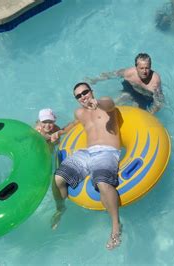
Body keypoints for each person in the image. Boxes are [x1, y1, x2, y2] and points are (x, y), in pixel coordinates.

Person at [50, 82, 122, 250]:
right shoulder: (80, 112)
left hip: (107, 152)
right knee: (58, 178)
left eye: (85, 92)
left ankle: (116, 227)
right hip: (87, 153)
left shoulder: (104, 103)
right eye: (79, 96)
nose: (83, 97)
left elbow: (110, 105)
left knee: (103, 183)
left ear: (91, 91)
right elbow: (73, 124)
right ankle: (61, 209)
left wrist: (99, 104)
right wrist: (59, 132)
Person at [85, 53, 164, 114]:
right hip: (130, 90)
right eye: (141, 68)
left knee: (136, 112)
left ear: (150, 67)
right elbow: (113, 74)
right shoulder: (129, 73)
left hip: (145, 96)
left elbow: (159, 102)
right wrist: (95, 80)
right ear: (136, 67)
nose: (144, 71)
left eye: (147, 68)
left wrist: (150, 112)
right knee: (116, 103)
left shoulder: (154, 82)